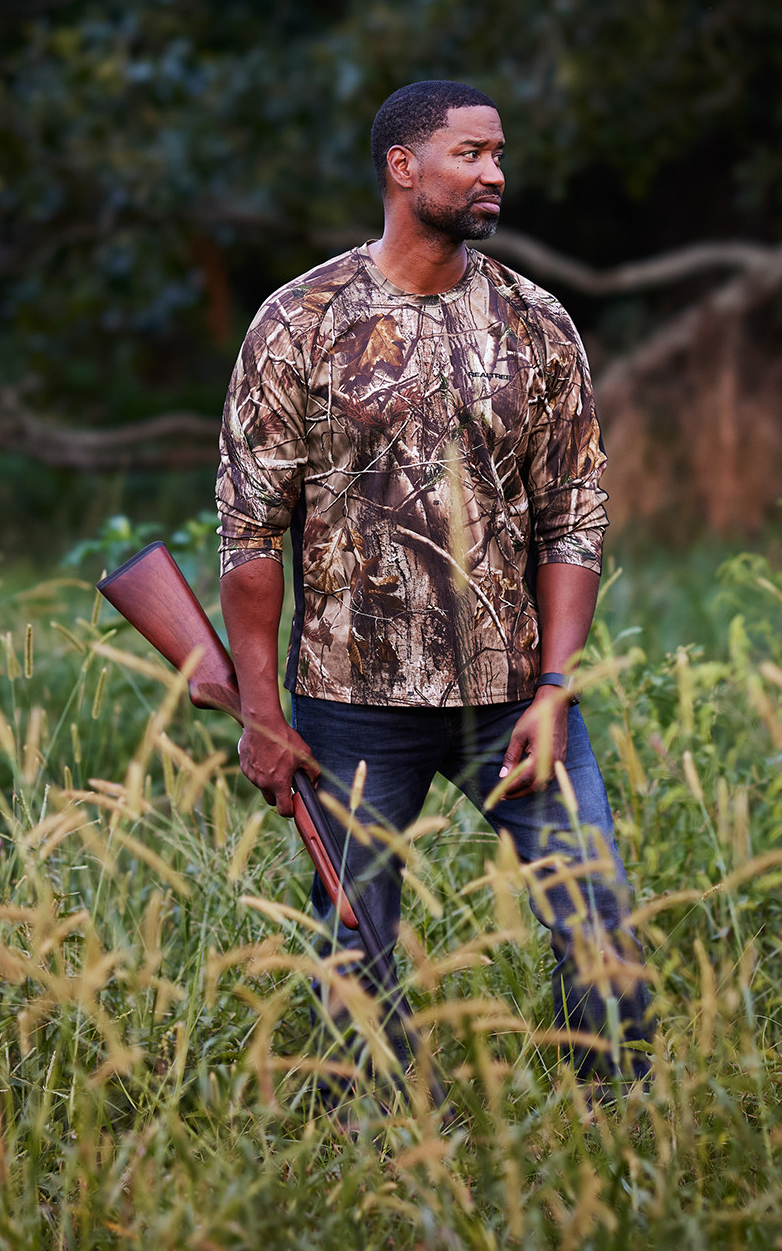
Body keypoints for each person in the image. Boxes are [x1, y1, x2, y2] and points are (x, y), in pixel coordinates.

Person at [215, 79, 651, 1079]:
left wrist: (555, 686)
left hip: (514, 705)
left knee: (598, 921)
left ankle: (626, 1138)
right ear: (402, 168)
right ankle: (378, 1150)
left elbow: (574, 516)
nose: (494, 172)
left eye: (499, 154)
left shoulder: (536, 321)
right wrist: (258, 706)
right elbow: (249, 530)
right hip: (349, 706)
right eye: (471, 153)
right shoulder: (301, 319)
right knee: (356, 955)